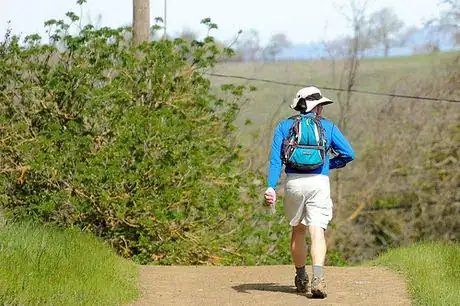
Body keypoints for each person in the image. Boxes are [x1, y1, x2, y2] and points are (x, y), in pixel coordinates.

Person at [264, 86, 355, 298]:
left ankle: (301, 277)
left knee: (298, 230)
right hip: (319, 183)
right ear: (317, 108)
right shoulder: (328, 127)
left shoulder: (284, 126)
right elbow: (349, 154)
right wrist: (327, 165)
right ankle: (318, 278)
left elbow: (276, 160)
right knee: (317, 231)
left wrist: (271, 186)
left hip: (294, 183)